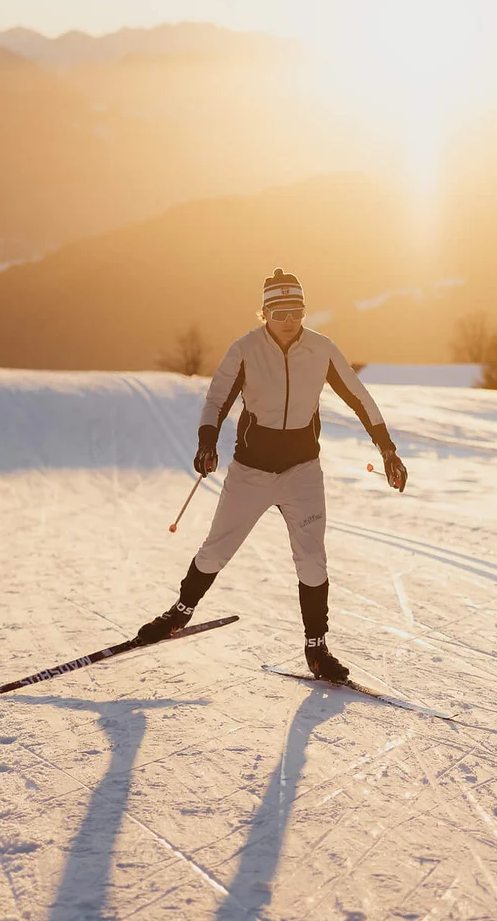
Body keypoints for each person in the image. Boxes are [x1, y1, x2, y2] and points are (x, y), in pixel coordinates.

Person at [134, 268, 408, 681]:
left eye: (297, 311)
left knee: (312, 559)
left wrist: (387, 448)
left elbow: (359, 397)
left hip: (302, 472)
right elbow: (216, 401)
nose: (289, 320)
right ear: (264, 313)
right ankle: (179, 613)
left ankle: (317, 648)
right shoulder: (245, 349)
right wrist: (207, 443)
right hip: (252, 472)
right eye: (279, 313)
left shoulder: (321, 349)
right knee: (215, 550)